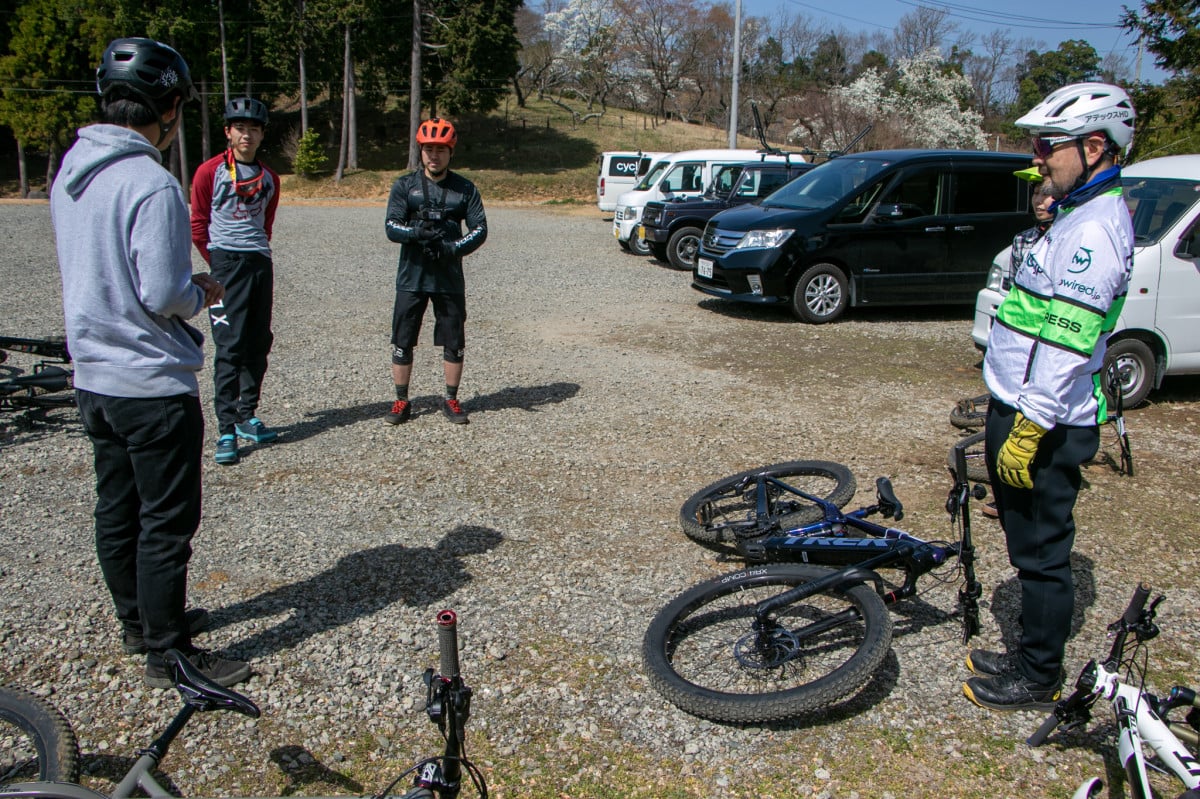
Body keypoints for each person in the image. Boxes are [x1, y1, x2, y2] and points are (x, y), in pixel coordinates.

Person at [50, 37, 250, 688]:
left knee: (116, 507)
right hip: (149, 382)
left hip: (93, 377)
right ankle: (170, 652)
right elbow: (163, 292)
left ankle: (138, 623)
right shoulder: (150, 183)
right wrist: (201, 291)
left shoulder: (72, 170)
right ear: (168, 107)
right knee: (165, 522)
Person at [964, 82, 1136, 711]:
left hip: (1050, 420)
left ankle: (1039, 678)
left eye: (1047, 146)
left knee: (1041, 557)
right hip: (1019, 405)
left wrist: (1030, 425)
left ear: (1094, 147)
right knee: (1022, 542)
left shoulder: (1096, 233)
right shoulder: (1072, 214)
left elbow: (1067, 342)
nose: (1037, 158)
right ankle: (1027, 651)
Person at [190, 97, 281, 465]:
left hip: (259, 261)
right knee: (229, 345)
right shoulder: (209, 172)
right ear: (228, 132)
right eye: (241, 128)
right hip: (225, 263)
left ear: (261, 135)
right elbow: (198, 222)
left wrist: (255, 256)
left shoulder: (271, 178)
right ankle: (226, 427)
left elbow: (267, 224)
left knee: (259, 341)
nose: (248, 134)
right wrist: (217, 266)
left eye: (254, 129)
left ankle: (247, 415)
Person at [383, 118, 487, 425]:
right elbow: (391, 226)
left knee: (453, 340)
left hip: (448, 278)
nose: (434, 155)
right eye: (428, 149)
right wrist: (416, 233)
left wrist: (453, 248)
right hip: (411, 277)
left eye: (441, 149)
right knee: (403, 339)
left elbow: (479, 229)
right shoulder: (405, 185)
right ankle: (401, 400)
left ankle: (451, 399)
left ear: (450, 152)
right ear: (420, 151)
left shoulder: (465, 189)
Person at [981, 168, 1058, 521]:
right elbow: (1013, 292)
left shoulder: (1068, 238)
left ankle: (1033, 493)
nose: (1041, 202)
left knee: (1036, 418)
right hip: (1017, 344)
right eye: (1036, 195)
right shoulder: (1022, 239)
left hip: (1051, 343)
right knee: (1004, 423)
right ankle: (1005, 496)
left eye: (1048, 194)